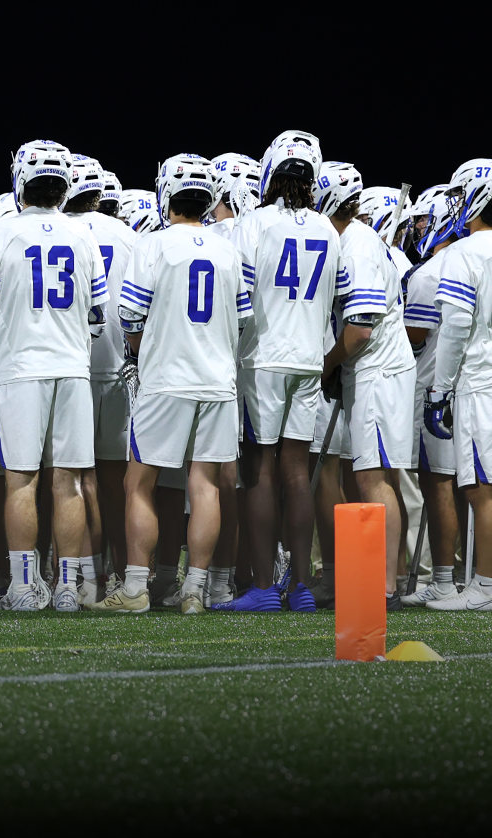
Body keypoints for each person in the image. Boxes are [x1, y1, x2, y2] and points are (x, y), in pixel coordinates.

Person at [92, 153, 249, 615]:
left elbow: (131, 319)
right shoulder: (228, 250)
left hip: (167, 378)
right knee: (205, 485)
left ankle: (137, 587)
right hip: (217, 381)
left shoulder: (152, 246)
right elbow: (242, 320)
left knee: (139, 483)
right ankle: (196, 590)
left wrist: (145, 353)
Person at [0, 139, 108, 611]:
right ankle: (67, 587)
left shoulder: (0, 234)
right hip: (71, 368)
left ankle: (25, 586)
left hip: (21, 368)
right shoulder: (84, 236)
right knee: (66, 481)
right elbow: (97, 320)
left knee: (20, 480)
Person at [420, 160, 492, 611]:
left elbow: (456, 326)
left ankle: (485, 586)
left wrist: (439, 388)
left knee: (484, 489)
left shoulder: (465, 254)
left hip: (483, 381)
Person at [228, 129, 332, 612]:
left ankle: (265, 586)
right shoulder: (328, 230)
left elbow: (240, 301)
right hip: (308, 358)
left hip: (264, 358)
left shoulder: (254, 224)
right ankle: (301, 586)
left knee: (261, 472)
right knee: (296, 472)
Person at [317, 161, 416, 604]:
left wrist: (329, 363)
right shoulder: (358, 240)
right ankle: (391, 576)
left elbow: (359, 329)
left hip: (378, 371)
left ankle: (383, 585)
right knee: (381, 479)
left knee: (372, 480)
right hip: (379, 370)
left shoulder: (355, 246)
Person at [396, 183, 463, 606]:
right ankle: (487, 578)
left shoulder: (429, 274)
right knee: (480, 488)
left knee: (437, 485)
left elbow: (413, 339)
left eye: (425, 219)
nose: (420, 227)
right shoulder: (480, 260)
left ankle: (438, 578)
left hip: (433, 388)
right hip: (474, 387)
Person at [78, 162, 141, 603]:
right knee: (118, 481)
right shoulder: (128, 236)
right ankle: (119, 573)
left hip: (72, 370)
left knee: (73, 480)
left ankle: (83, 577)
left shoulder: (59, 231)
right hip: (120, 368)